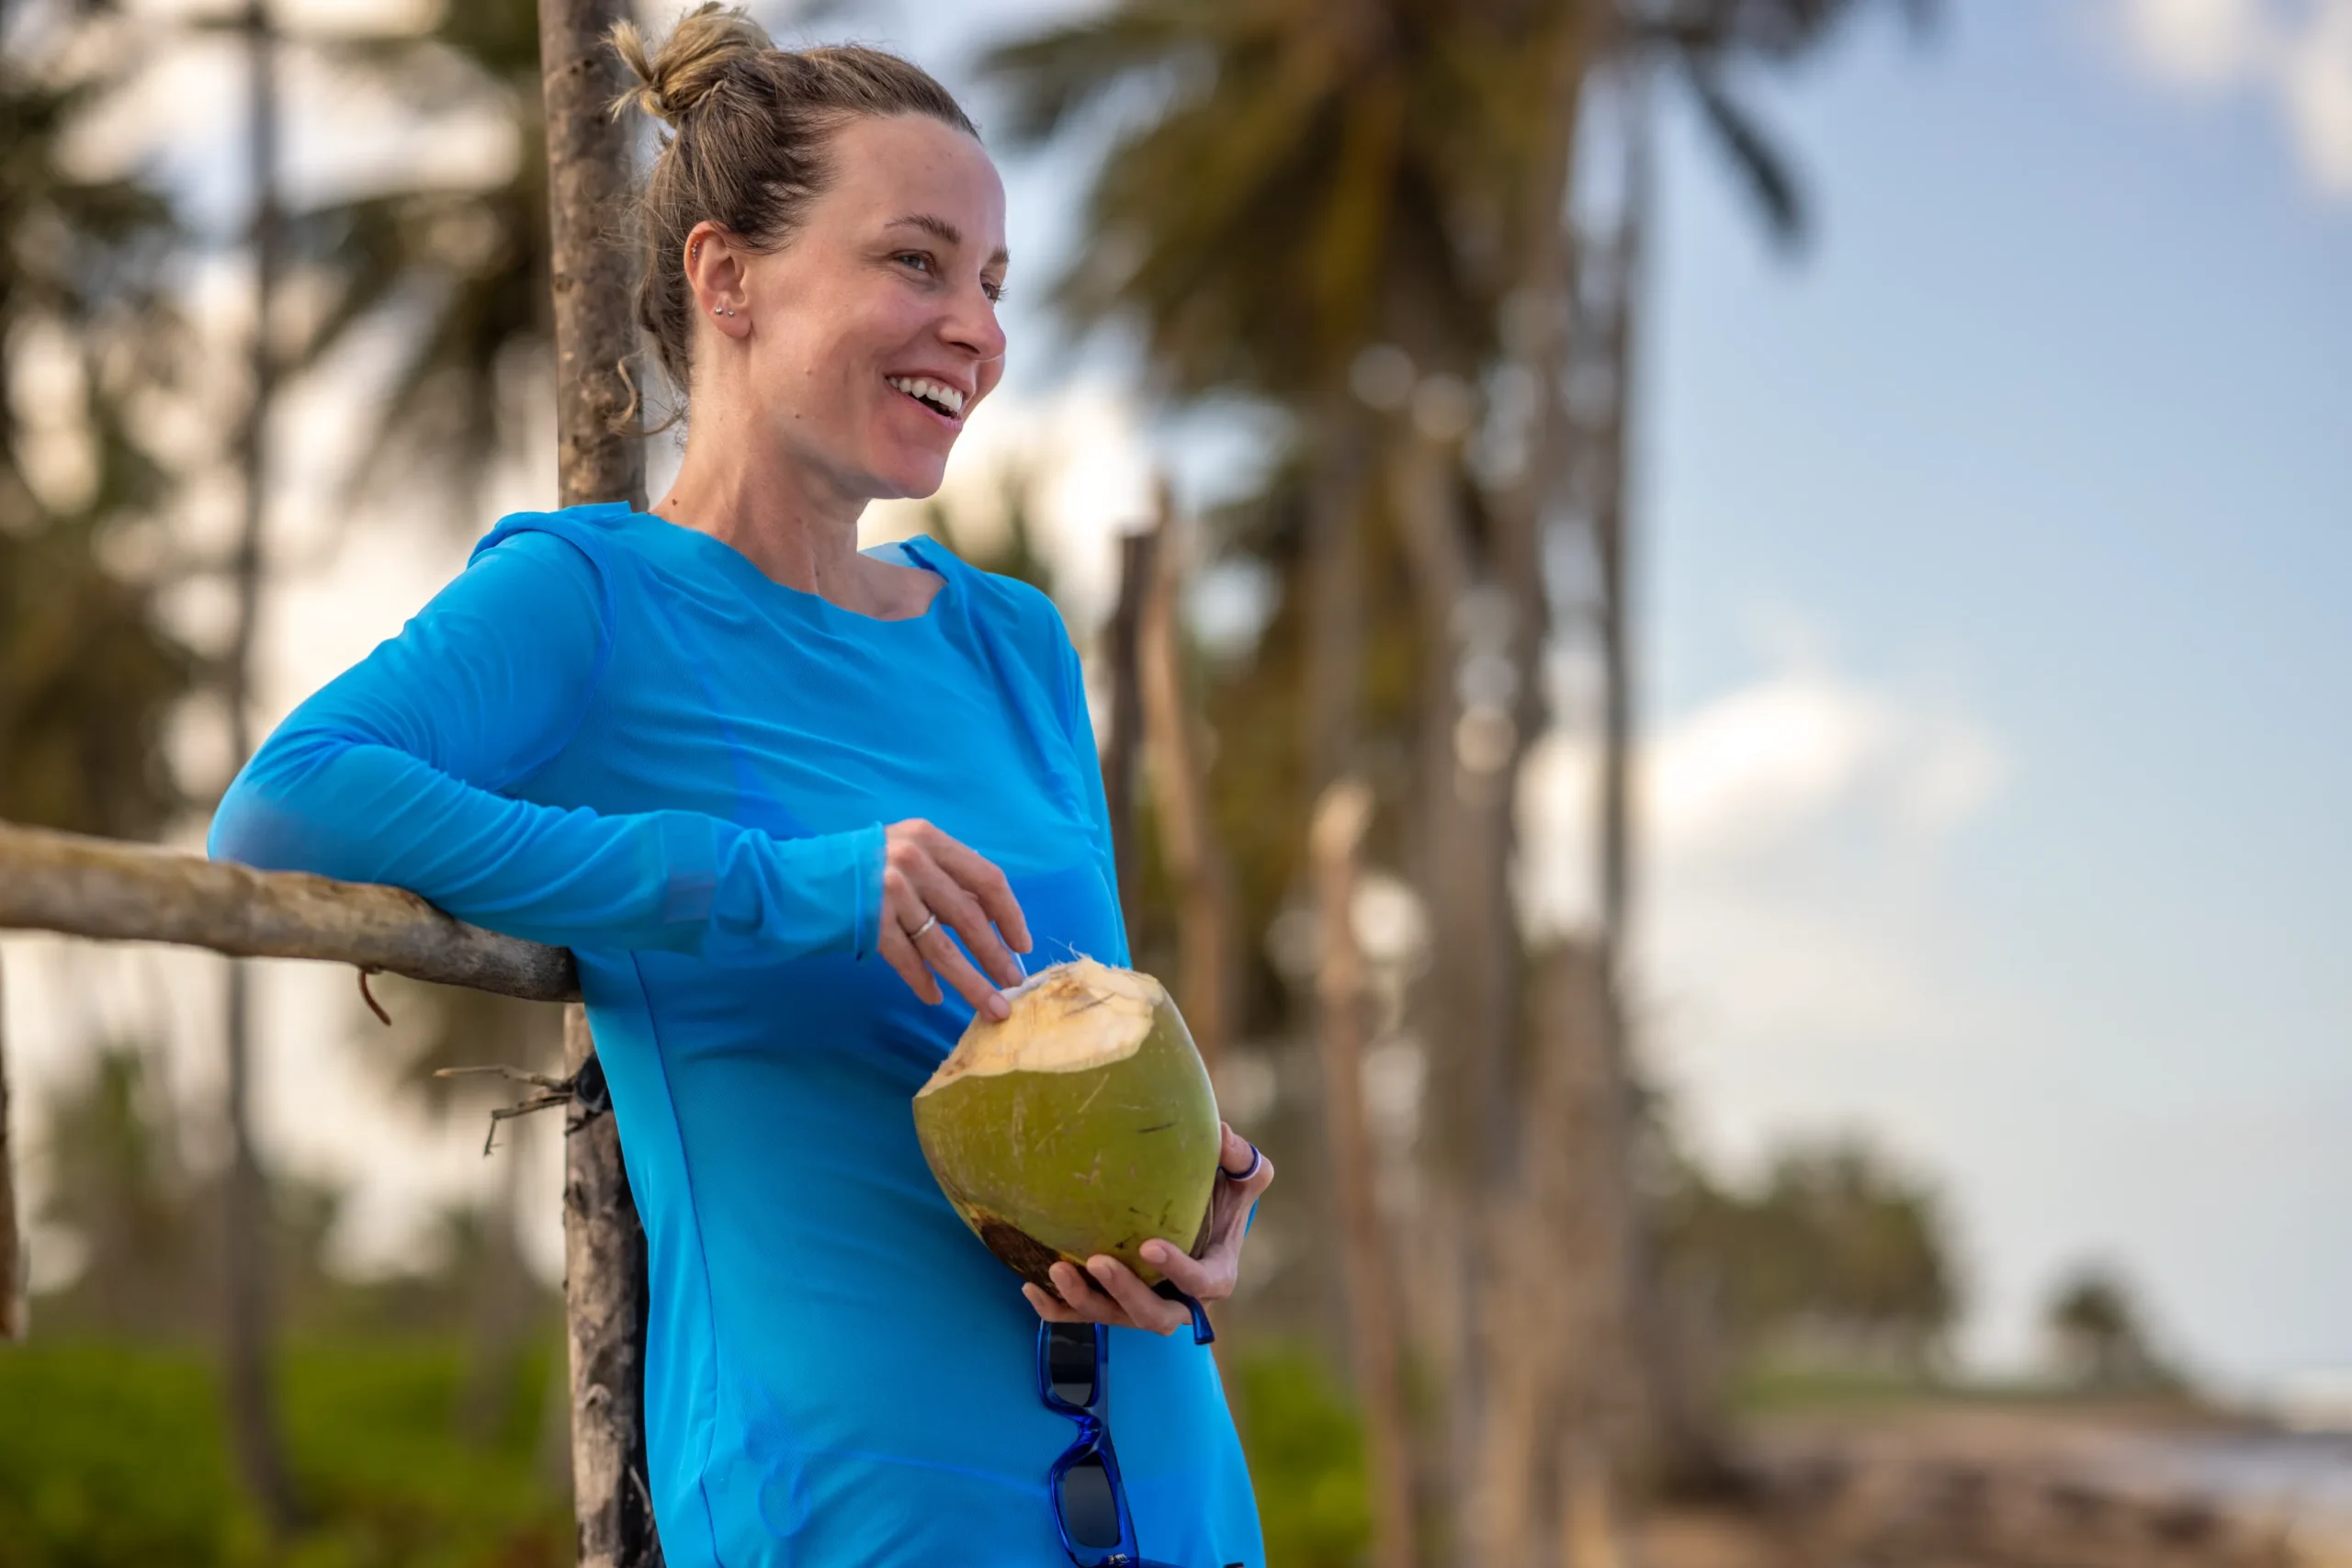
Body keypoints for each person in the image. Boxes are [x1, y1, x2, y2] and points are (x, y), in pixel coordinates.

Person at [207, 7, 1273, 1563]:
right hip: (850, 1498)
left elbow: (1063, 1012)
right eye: (915, 262)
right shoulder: (594, 598)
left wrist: (1200, 1187)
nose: (975, 326)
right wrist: (794, 886)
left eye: (989, 283)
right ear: (728, 281)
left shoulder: (1012, 643)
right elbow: (283, 805)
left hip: (1172, 1478)